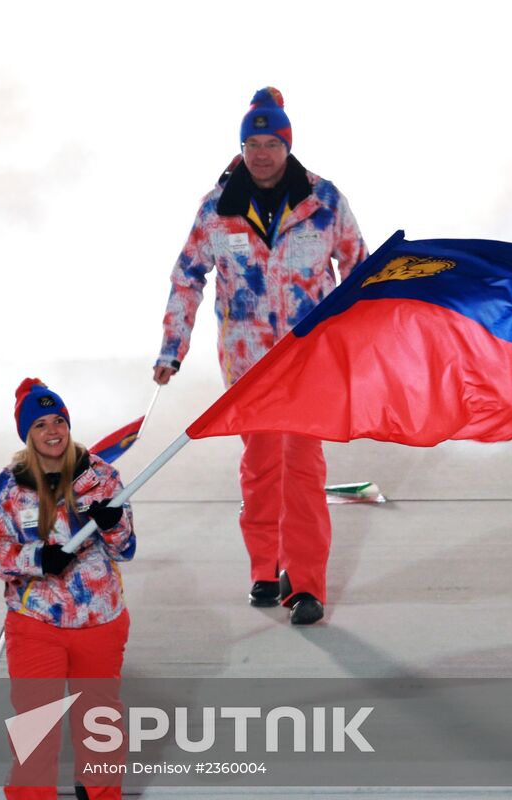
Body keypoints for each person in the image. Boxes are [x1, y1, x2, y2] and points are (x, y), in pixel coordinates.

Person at [152, 87, 367, 626]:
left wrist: (354, 346)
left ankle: (308, 585)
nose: (263, 153)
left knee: (303, 468)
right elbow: (187, 278)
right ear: (242, 147)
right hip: (247, 367)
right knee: (260, 467)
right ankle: (265, 569)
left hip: (307, 363)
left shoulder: (324, 203)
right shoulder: (217, 209)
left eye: (272, 142)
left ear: (287, 145)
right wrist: (170, 350)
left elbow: (359, 271)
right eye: (253, 143)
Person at [0, 379, 135, 800]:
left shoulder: (101, 476)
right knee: (34, 728)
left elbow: (127, 549)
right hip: (35, 623)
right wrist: (34, 557)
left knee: (98, 718)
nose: (53, 432)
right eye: (42, 424)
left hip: (99, 619)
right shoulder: (6, 488)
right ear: (28, 433)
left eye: (60, 422)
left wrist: (112, 524)